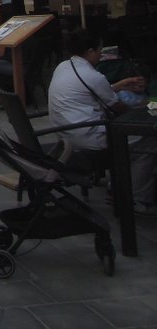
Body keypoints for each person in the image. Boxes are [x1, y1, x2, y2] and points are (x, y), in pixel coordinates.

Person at [47, 29, 157, 214]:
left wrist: (120, 85)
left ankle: (119, 187)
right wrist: (145, 106)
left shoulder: (64, 66)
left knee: (133, 140)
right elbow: (118, 107)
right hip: (86, 136)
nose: (101, 54)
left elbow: (90, 90)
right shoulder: (93, 76)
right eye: (99, 50)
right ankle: (134, 197)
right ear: (90, 51)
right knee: (147, 143)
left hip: (66, 133)